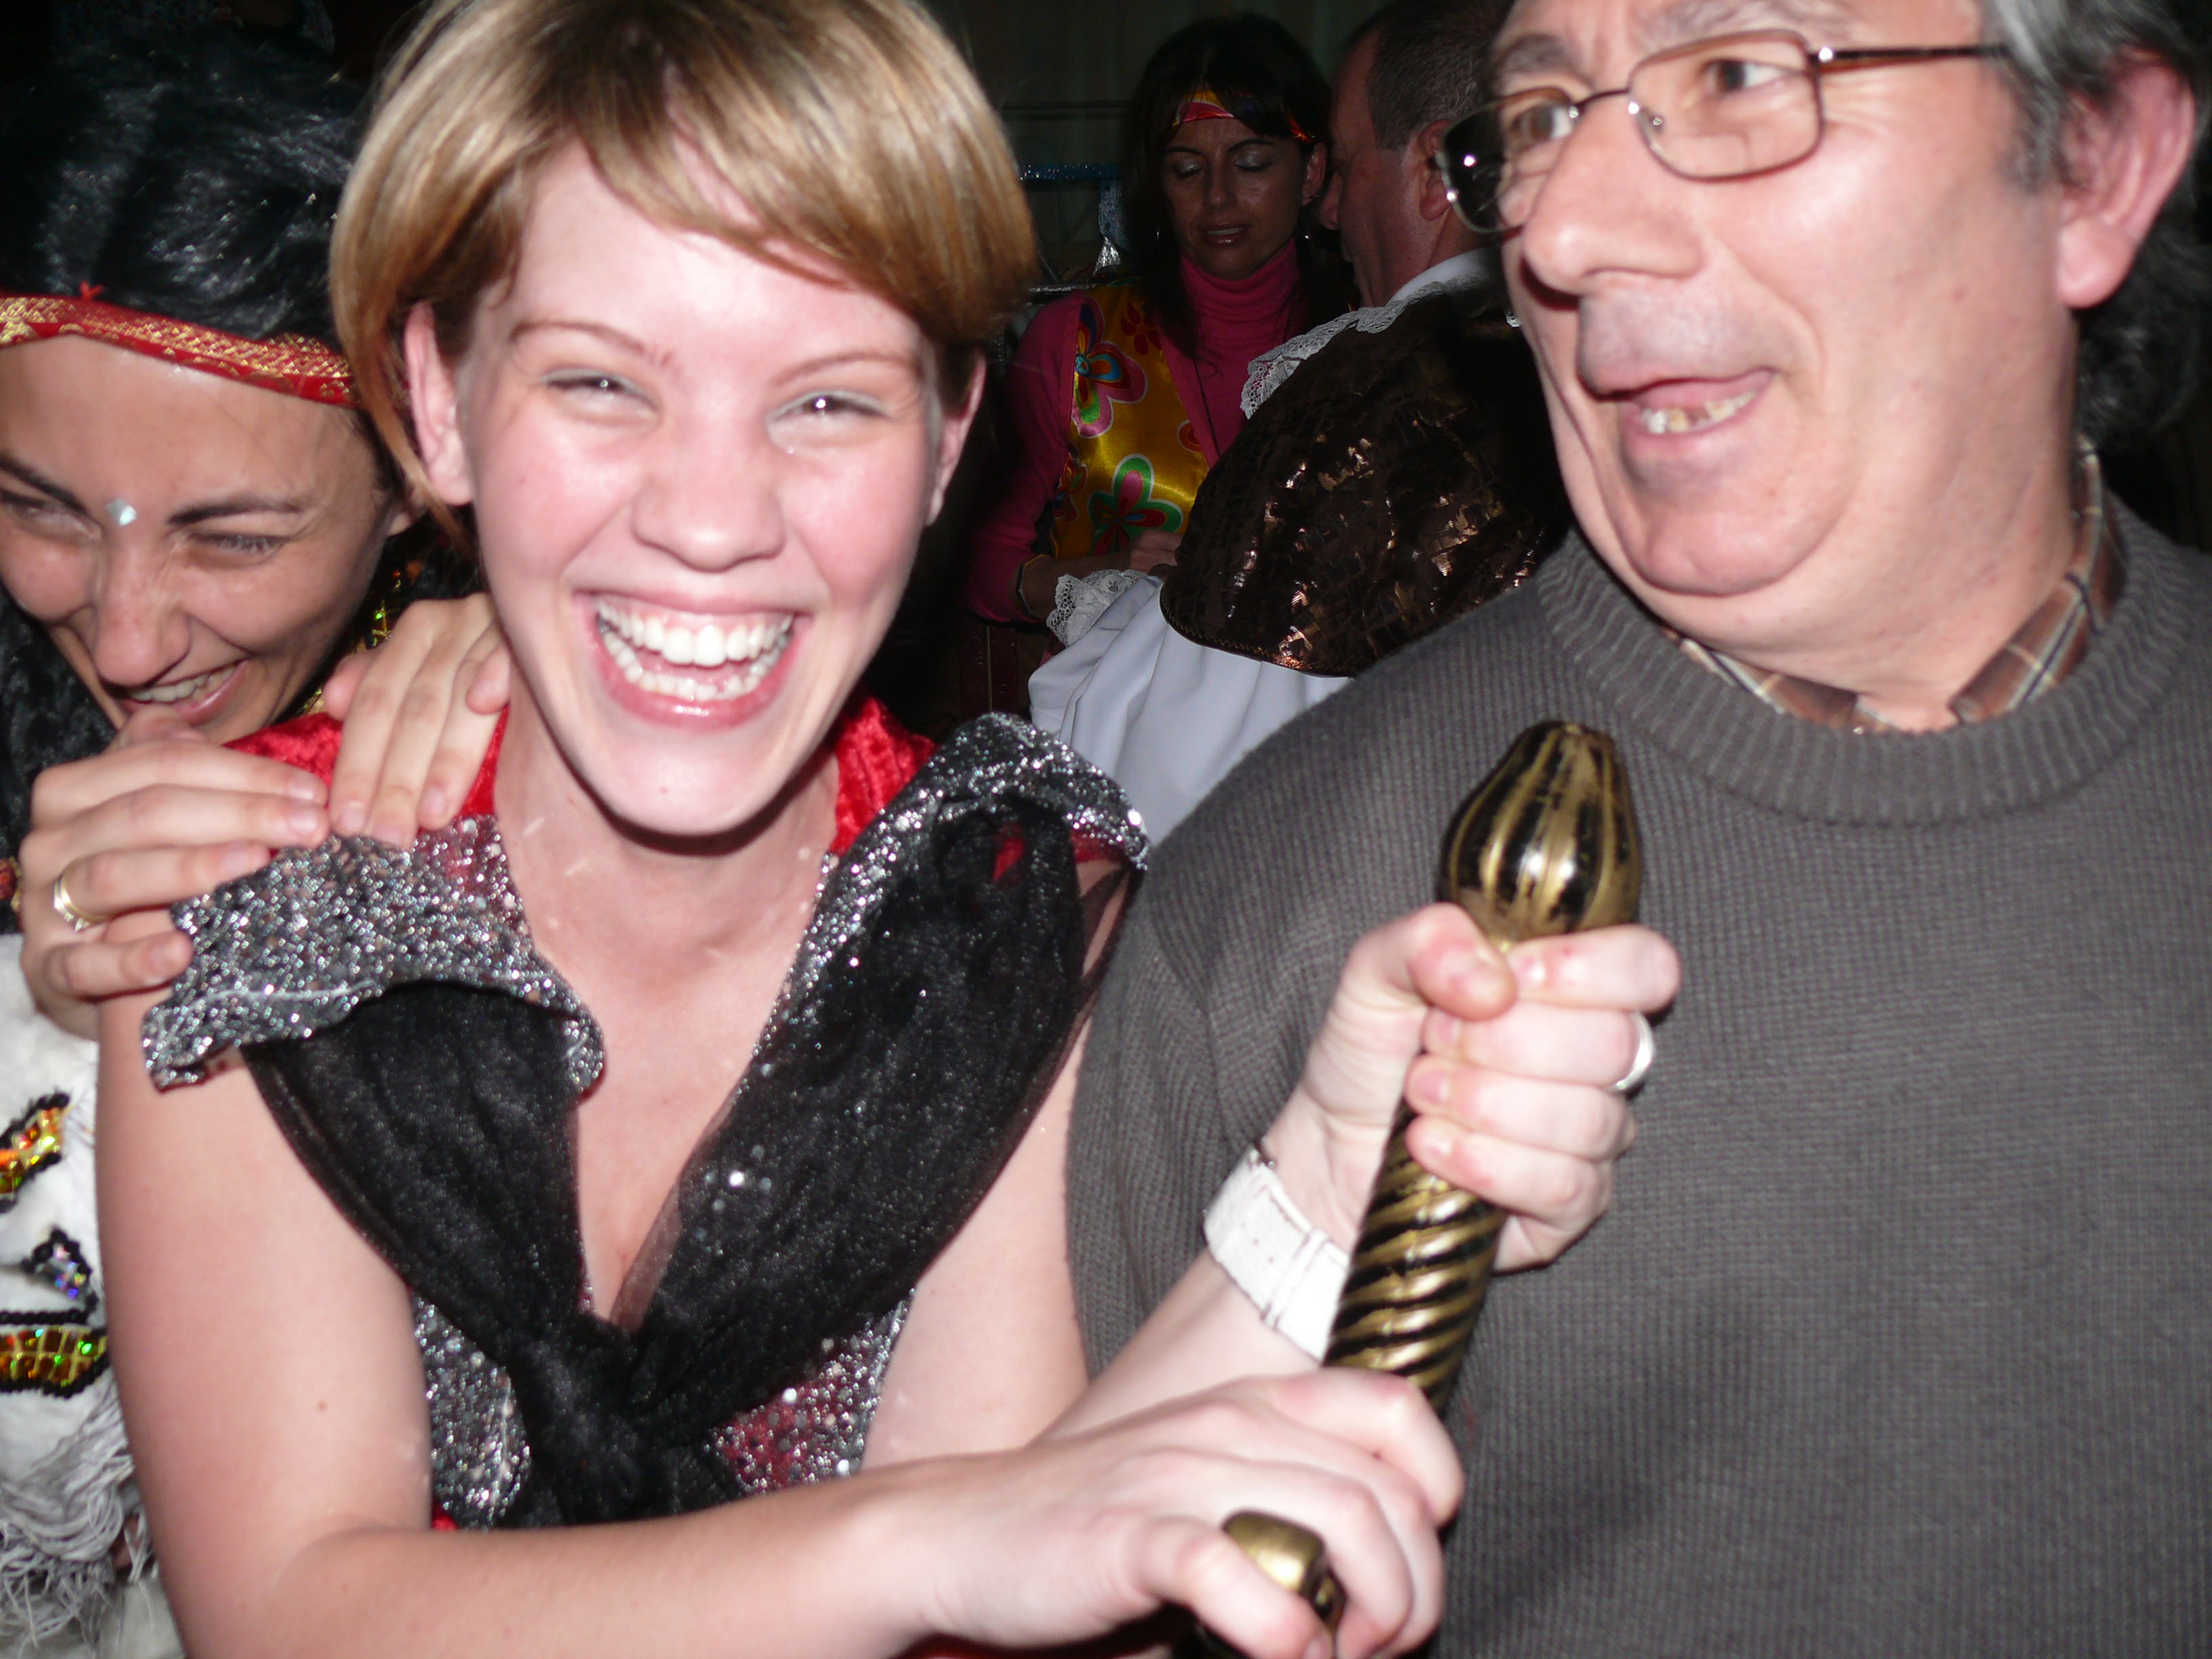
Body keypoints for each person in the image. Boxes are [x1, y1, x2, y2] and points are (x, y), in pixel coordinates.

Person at [87, 3, 1656, 1657]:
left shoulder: (1004, 917)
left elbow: (1015, 1560)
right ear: (439, 397)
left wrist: (1325, 1192)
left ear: (949, 438)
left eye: (828, 402)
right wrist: (930, 1539)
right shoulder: (241, 897)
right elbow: (294, 1608)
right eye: (600, 381)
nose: (710, 519)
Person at [1070, 0, 2212, 1650]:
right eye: (1542, 118)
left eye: (1738, 75)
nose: (1563, 232)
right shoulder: (1282, 915)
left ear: (2094, 164)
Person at [0, 32, 506, 1652]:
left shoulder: (507, 718)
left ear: (417, 477)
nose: (127, 636)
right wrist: (36, 1027)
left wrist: (567, 663)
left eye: (233, 536)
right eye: (39, 507)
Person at [1033, 0, 1568, 838]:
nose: (1331, 210)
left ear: (1438, 170)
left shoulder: (1354, 398)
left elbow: (1165, 767)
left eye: (1342, 168)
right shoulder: (1582, 358)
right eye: (1185, 167)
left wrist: (1122, 627)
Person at [957, 14, 1343, 705]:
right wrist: (1089, 577)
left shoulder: (1364, 342)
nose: (1218, 197)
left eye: (1252, 163)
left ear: (1312, 171)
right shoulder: (1079, 344)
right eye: (1187, 169)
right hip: (1115, 723)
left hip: (1318, 726)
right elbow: (976, 561)